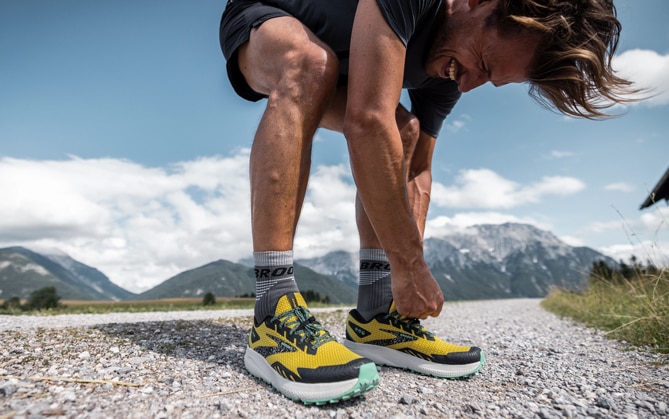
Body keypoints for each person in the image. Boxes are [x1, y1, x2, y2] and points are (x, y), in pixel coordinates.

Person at [219, 0, 636, 404]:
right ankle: (273, 309)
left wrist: (402, 287)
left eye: (490, 80)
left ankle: (377, 319)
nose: (468, 83)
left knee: (405, 131)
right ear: (480, 2)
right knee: (309, 63)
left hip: (342, 60)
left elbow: (418, 172)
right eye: (485, 64)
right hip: (266, 16)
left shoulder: (453, 68)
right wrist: (409, 264)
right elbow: (365, 120)